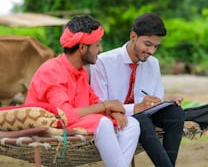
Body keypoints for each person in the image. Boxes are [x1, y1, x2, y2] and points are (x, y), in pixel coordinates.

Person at [25, 15, 140, 167]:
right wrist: (106, 106)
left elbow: (93, 101)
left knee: (131, 123)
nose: (101, 49)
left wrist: (114, 111)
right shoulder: (52, 71)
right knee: (103, 123)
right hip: (51, 127)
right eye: (97, 45)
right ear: (82, 48)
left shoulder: (81, 71)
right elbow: (65, 115)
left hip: (77, 123)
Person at [90, 13, 185, 167]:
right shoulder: (103, 62)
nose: (151, 51)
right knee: (140, 120)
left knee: (176, 113)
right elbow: (100, 103)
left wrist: (166, 103)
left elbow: (155, 101)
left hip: (146, 115)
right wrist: (135, 108)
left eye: (155, 46)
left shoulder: (153, 63)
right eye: (147, 44)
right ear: (133, 36)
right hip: (117, 117)